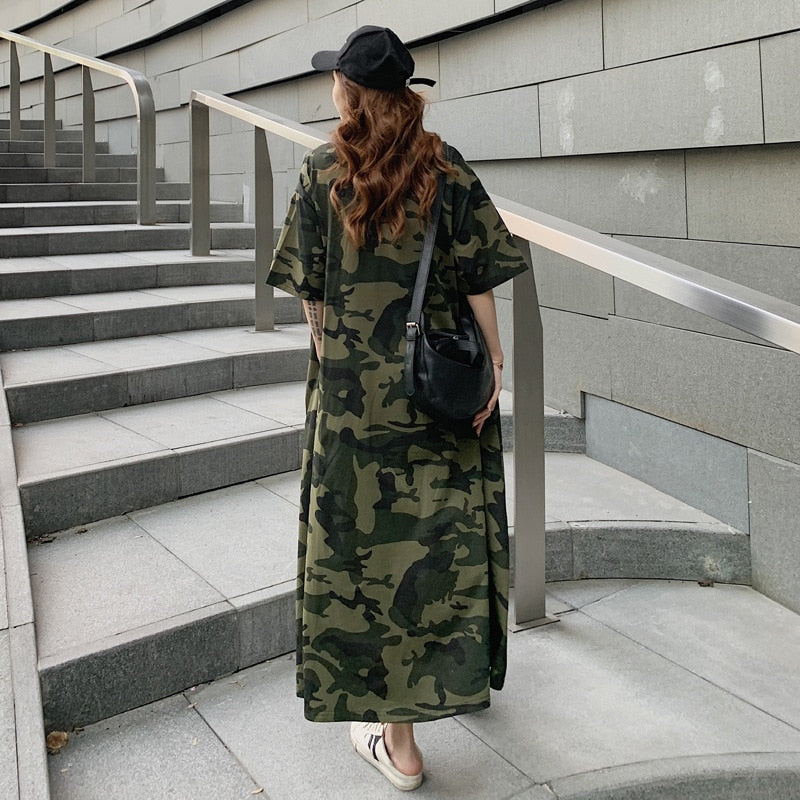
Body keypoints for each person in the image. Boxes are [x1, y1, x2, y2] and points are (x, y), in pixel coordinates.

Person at [266, 25, 528, 792]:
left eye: (335, 81)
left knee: (365, 555)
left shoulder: (321, 172)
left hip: (355, 405)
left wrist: (335, 357)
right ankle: (449, 676)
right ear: (405, 95)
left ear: (350, 92)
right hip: (438, 395)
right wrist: (494, 365)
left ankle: (400, 745)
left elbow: (312, 297)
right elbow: (479, 280)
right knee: (442, 540)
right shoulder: (445, 168)